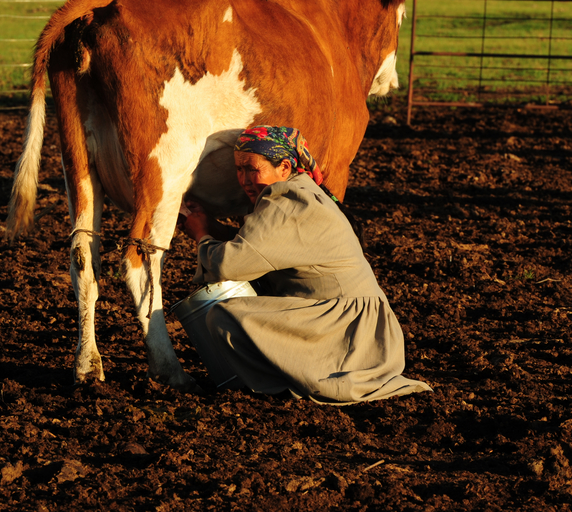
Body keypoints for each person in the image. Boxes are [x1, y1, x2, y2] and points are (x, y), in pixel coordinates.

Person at [180, 125, 431, 404]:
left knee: (223, 316)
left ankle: (279, 388)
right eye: (239, 169)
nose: (245, 179)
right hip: (338, 314)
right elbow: (257, 249)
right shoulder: (297, 191)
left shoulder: (288, 202)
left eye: (252, 168)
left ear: (285, 167)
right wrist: (208, 227)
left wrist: (202, 236)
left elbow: (230, 264)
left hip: (346, 327)